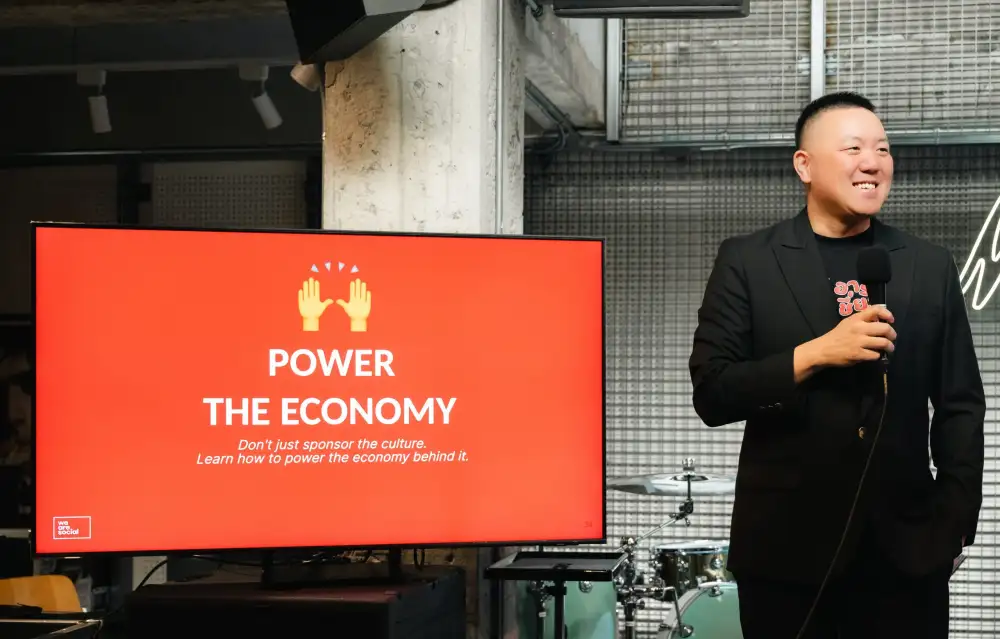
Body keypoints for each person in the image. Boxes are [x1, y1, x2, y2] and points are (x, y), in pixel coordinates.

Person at [688, 91, 985, 638]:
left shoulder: (928, 265)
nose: (872, 162)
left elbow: (960, 405)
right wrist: (816, 353)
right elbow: (713, 391)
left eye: (883, 149)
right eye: (853, 148)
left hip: (907, 555)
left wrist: (956, 521)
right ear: (804, 165)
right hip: (785, 554)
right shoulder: (749, 261)